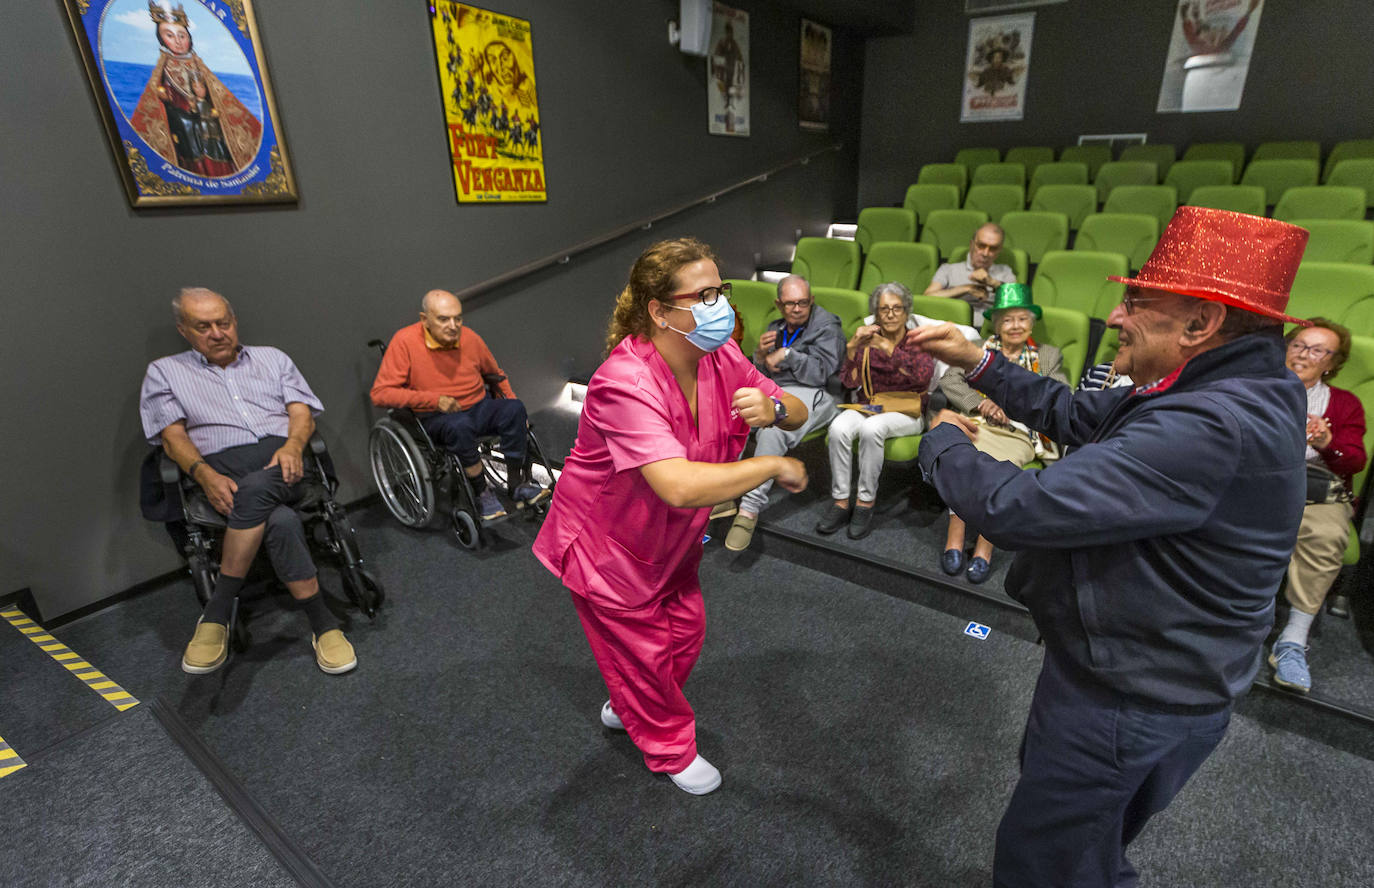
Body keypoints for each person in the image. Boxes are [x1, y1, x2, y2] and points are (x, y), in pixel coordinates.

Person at [909, 206, 1311, 887]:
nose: (1115, 316)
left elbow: (1020, 508)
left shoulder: (1211, 423)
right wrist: (978, 361)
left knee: (1045, 865)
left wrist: (942, 437)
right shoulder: (1228, 384)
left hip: (1133, 697)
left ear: (1200, 323)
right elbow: (1077, 415)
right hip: (1139, 675)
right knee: (1084, 856)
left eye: (1135, 302)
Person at [531, 238, 808, 795]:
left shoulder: (720, 356)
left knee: (685, 632)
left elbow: (796, 409)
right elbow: (679, 485)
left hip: (672, 542)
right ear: (658, 310)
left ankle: (630, 697)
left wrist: (775, 408)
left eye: (720, 292)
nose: (720, 306)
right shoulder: (623, 381)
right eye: (702, 295)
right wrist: (771, 463)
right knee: (647, 654)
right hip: (608, 547)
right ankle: (669, 747)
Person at [140, 288, 356, 676]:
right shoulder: (164, 372)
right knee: (282, 521)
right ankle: (324, 625)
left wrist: (293, 445)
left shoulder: (273, 359)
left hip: (284, 462)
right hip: (223, 469)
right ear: (184, 331)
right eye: (203, 326)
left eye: (223, 323)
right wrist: (204, 475)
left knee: (259, 489)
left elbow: (301, 413)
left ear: (234, 322)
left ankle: (217, 611)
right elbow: (172, 439)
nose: (217, 333)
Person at [371, 289, 548, 521]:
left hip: (478, 406)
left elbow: (496, 375)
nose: (453, 325)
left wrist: (511, 399)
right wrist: (434, 400)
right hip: (435, 417)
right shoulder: (404, 342)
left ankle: (516, 483)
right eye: (443, 319)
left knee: (514, 409)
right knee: (459, 426)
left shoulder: (470, 338)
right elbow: (380, 394)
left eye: (458, 318)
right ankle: (481, 492)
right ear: (425, 319)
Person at [939, 284, 1067, 583]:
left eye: (1022, 319)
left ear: (1031, 323)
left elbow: (1060, 396)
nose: (1015, 326)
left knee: (998, 471)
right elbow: (950, 381)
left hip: (1020, 432)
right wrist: (981, 402)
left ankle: (984, 547)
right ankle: (955, 537)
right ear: (997, 324)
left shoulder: (1048, 356)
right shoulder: (981, 351)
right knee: (963, 460)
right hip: (979, 424)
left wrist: (1021, 405)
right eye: (1007, 320)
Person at [1270, 318, 1367, 694]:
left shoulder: (1344, 404)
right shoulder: (1257, 386)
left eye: (1316, 350)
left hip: (1315, 483)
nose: (1302, 354)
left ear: (1331, 362)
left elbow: (1353, 461)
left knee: (1325, 533)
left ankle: (1292, 641)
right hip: (1257, 475)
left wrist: (1328, 442)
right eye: (1297, 345)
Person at [724, 274, 844, 551]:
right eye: (790, 304)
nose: (797, 309)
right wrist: (760, 356)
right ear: (779, 304)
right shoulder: (776, 327)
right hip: (780, 389)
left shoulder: (828, 326)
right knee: (736, 412)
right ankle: (725, 492)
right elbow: (763, 375)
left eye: (803, 302)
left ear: (811, 300)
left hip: (820, 395)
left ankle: (748, 511)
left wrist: (789, 355)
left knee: (774, 422)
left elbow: (824, 373)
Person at [816, 282, 934, 540]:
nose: (890, 314)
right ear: (876, 314)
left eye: (896, 308)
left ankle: (865, 502)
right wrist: (852, 348)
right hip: (870, 404)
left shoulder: (918, 340)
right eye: (884, 309)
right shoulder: (867, 341)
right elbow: (848, 382)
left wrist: (888, 348)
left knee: (872, 429)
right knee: (838, 428)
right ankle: (840, 500)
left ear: (906, 312)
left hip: (907, 412)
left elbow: (922, 378)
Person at [129, 2, 262, 177]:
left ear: (189, 37)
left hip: (209, 123)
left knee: (218, 154)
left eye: (182, 35)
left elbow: (216, 94)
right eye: (170, 35)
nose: (178, 41)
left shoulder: (198, 64)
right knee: (193, 157)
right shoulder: (164, 66)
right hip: (185, 127)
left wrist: (207, 104)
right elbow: (159, 96)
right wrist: (165, 97)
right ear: (162, 39)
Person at [924, 223, 1017, 325]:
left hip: (990, 330)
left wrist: (992, 282)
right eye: (981, 246)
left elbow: (1018, 302)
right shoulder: (948, 269)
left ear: (999, 250)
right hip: (953, 326)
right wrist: (966, 288)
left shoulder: (1005, 272)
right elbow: (928, 297)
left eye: (993, 248)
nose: (985, 253)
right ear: (972, 244)